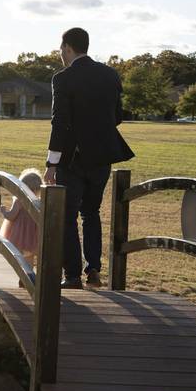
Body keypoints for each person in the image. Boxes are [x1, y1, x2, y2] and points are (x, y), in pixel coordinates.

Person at [44, 27, 134, 288]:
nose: (61, 54)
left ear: (68, 48)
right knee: (91, 212)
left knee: (68, 215)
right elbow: (117, 117)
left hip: (73, 159)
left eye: (62, 49)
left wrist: (52, 163)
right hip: (103, 155)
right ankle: (93, 268)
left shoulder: (62, 79)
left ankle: (72, 275)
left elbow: (59, 123)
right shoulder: (110, 75)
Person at [1, 168, 43, 268]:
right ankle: (29, 276)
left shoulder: (19, 200)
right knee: (30, 256)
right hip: (33, 235)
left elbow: (11, 216)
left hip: (19, 234)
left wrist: (3, 211)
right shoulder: (39, 202)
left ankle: (22, 275)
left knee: (19, 256)